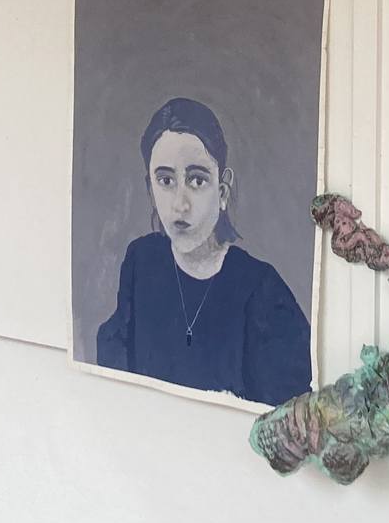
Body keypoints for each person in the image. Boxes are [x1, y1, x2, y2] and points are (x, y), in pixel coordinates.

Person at [95, 97, 312, 405]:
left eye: (197, 180)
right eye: (165, 180)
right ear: (150, 189)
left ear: (222, 190)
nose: (180, 204)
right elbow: (114, 367)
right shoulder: (141, 261)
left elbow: (288, 411)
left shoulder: (262, 292)